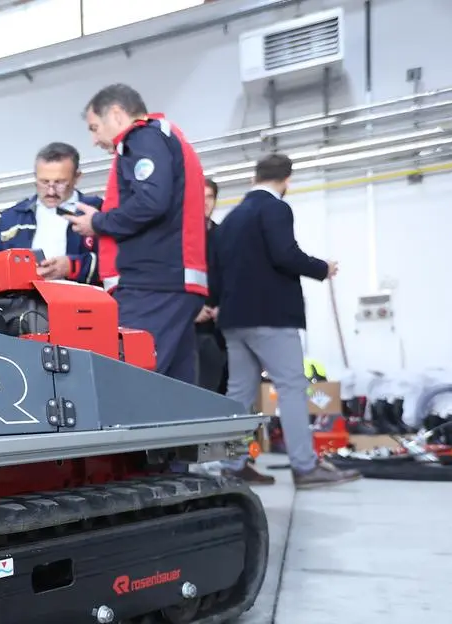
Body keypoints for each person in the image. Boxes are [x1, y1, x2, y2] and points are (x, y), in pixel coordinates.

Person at [213, 153, 360, 489]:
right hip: (270, 317)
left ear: (254, 177)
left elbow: (217, 267)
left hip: (234, 317)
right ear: (287, 180)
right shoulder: (275, 208)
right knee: (292, 388)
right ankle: (305, 467)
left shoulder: (231, 217)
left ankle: (232, 465)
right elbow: (284, 254)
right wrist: (322, 268)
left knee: (239, 394)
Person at [63, 84, 208, 383]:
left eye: (94, 128)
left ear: (117, 114)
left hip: (151, 286)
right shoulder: (165, 137)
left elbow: (151, 201)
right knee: (177, 389)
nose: (94, 140)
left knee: (130, 382)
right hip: (172, 284)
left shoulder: (142, 137)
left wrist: (98, 222)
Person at [0, 142, 102, 284]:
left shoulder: (98, 211)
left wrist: (72, 267)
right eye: (44, 182)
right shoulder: (13, 217)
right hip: (25, 297)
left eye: (60, 182)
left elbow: (118, 262)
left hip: (82, 296)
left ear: (77, 177)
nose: (51, 191)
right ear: (35, 176)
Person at [196, 177, 229, 393]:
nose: (205, 202)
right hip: (190, 325)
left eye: (210, 197)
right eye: (201, 197)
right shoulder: (179, 238)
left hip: (221, 326)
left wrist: (224, 308)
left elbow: (233, 277)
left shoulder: (224, 235)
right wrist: (191, 309)